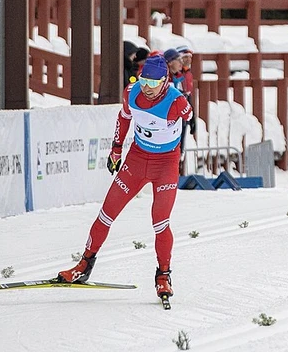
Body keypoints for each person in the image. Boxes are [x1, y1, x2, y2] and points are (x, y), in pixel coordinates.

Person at [56, 55, 193, 305]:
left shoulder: (176, 102)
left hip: (166, 164)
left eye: (154, 84)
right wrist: (116, 149)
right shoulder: (132, 92)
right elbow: (124, 118)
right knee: (107, 212)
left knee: (160, 221)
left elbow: (189, 116)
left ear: (165, 82)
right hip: (138, 160)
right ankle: (84, 265)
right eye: (144, 82)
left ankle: (163, 274)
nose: (148, 89)